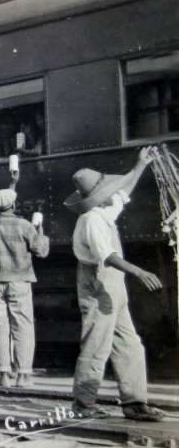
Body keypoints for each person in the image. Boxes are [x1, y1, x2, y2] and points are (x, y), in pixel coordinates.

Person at [64, 145, 164, 421]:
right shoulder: (92, 220)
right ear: (99, 197)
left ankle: (134, 402)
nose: (114, 193)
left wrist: (140, 164)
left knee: (128, 342)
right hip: (99, 285)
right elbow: (105, 256)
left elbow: (125, 192)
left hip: (112, 288)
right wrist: (139, 272)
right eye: (109, 190)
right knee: (97, 343)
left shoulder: (104, 210)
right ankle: (83, 405)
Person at [0, 187, 49, 388]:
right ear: (13, 205)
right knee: (22, 327)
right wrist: (41, 232)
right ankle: (23, 376)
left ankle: (3, 376)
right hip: (19, 281)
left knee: (0, 328)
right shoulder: (24, 225)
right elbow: (41, 251)